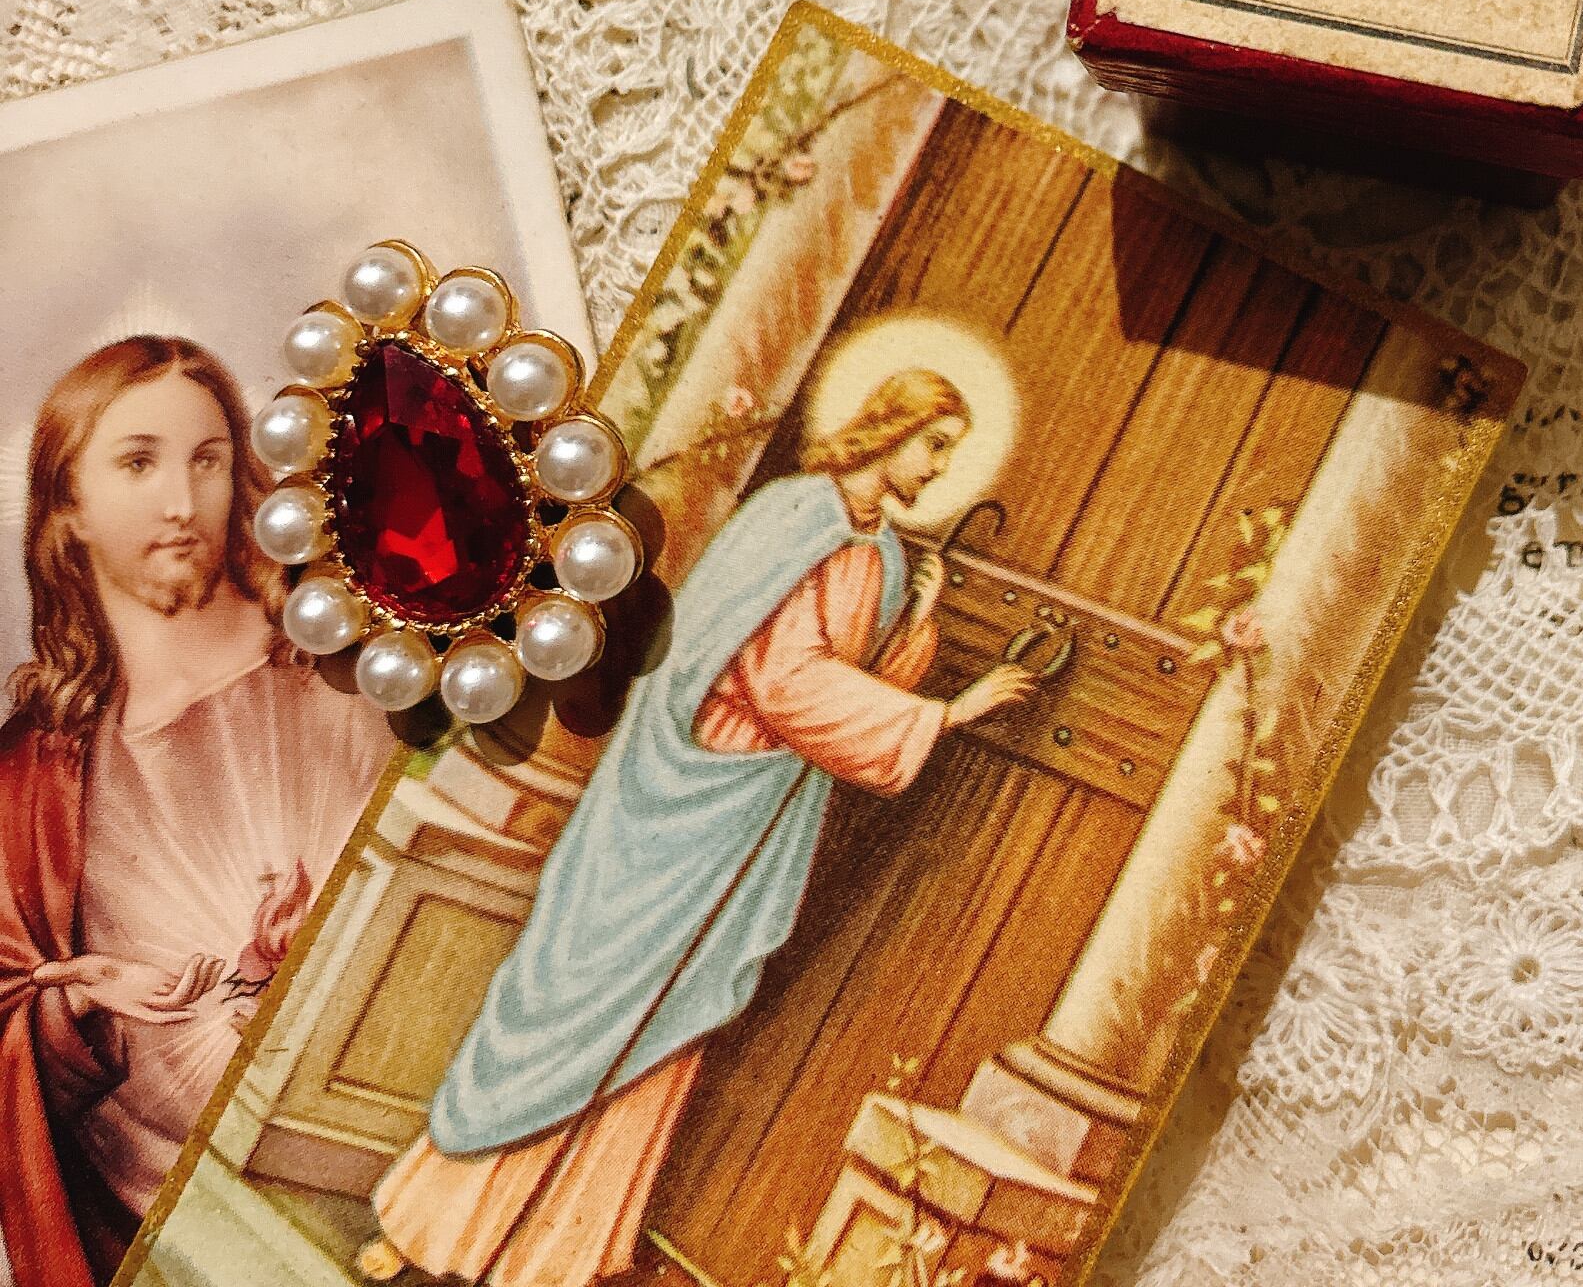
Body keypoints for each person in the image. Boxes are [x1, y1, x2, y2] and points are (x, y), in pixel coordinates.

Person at [358, 367, 1038, 1287]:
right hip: (682, 801)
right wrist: (948, 715)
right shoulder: (794, 515)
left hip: (750, 825)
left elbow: (858, 685)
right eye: (935, 445)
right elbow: (781, 682)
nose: (939, 468)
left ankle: (550, 1259)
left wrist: (914, 622)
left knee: (662, 1022)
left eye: (952, 454)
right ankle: (428, 1226)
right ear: (890, 427)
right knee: (580, 1002)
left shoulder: (880, 551)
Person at [0, 336, 388, 1287]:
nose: (181, 501)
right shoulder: (26, 784)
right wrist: (78, 997)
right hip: (221, 1251)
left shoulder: (345, 657)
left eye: (207, 461)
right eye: (138, 464)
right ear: (67, 508)